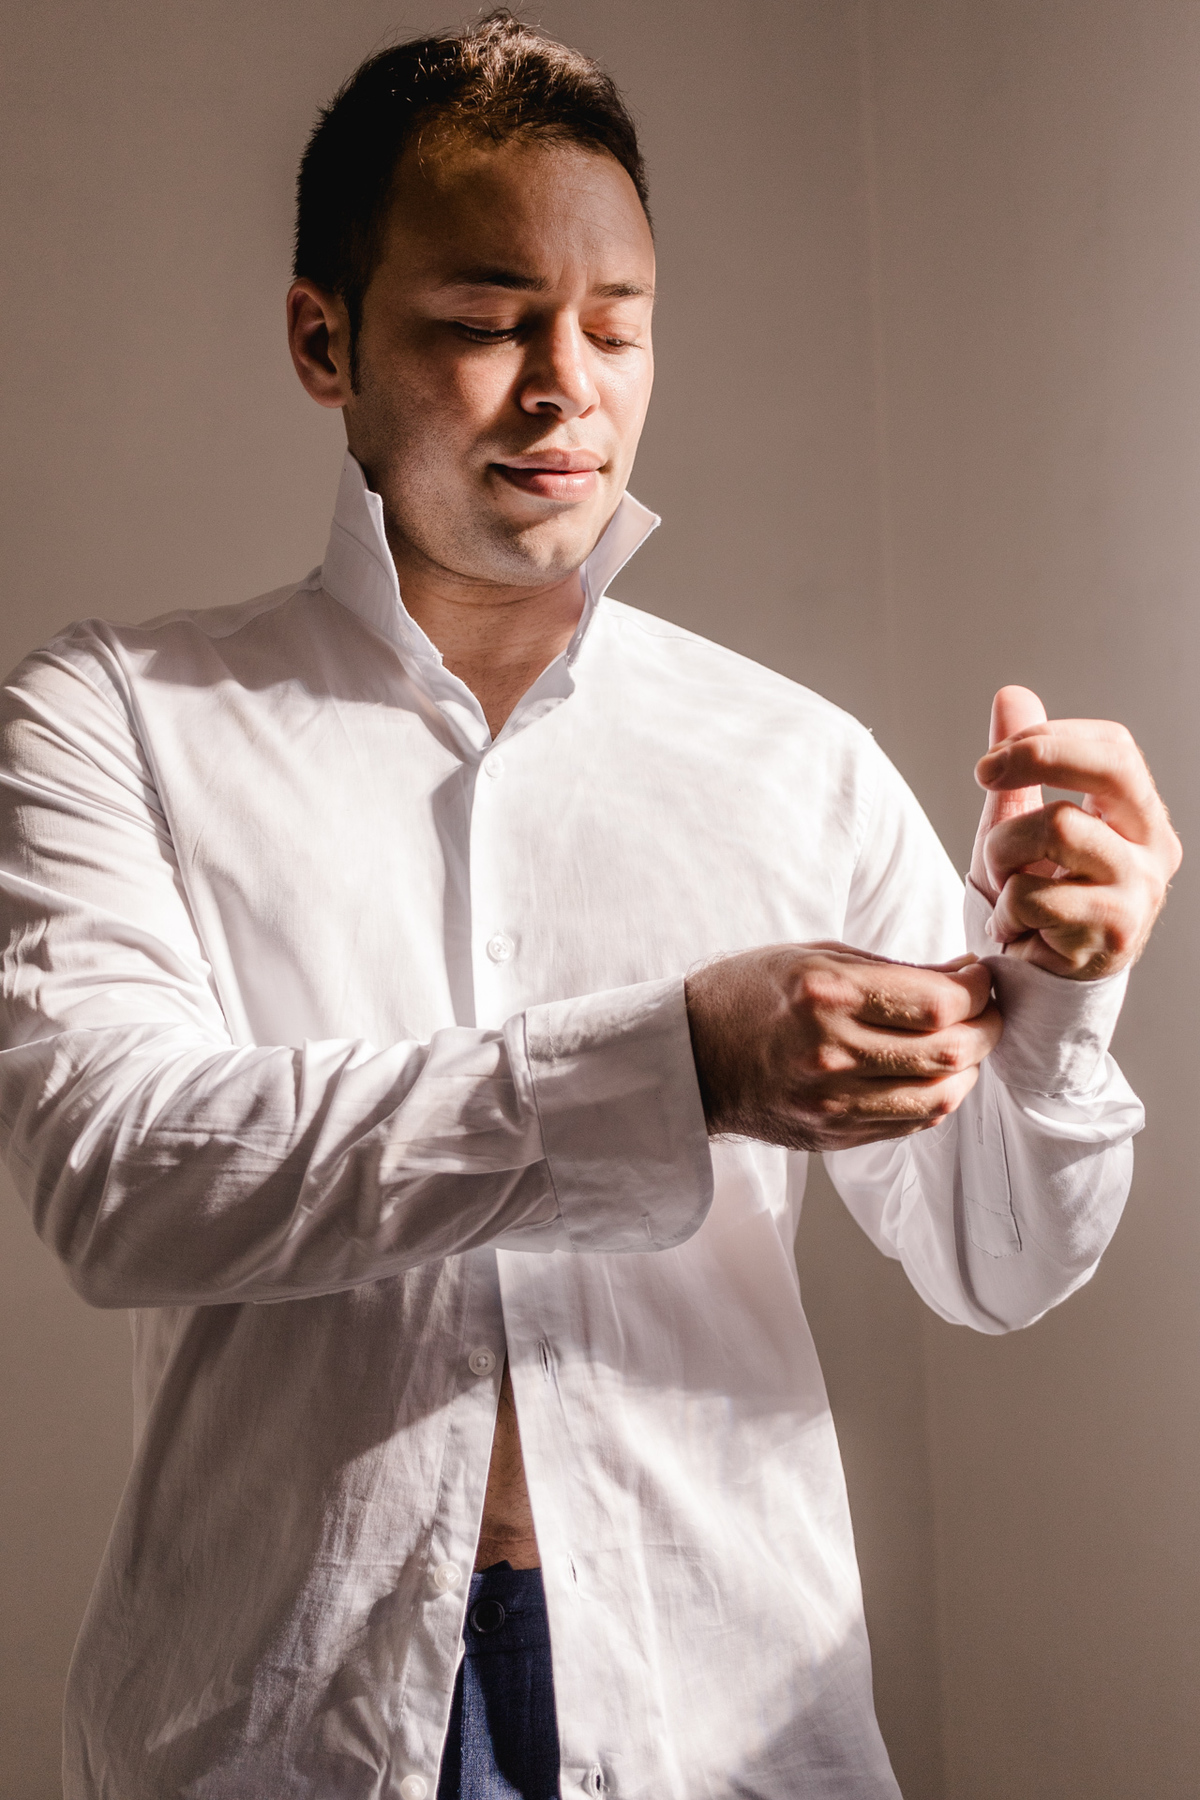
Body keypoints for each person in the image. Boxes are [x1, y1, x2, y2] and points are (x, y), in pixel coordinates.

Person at [0, 13, 1179, 1800]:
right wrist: (678, 1062)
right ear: (325, 340)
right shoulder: (115, 716)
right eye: (484, 322)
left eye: (615, 324)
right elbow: (125, 1177)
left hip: (723, 1720)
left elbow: (993, 1256)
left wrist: (1059, 997)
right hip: (280, 1724)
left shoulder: (795, 760)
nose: (568, 385)